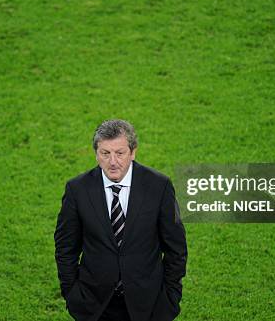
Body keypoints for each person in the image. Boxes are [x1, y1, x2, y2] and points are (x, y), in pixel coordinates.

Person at [54, 119, 188, 321]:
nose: (113, 161)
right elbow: (65, 248)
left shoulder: (159, 186)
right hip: (94, 306)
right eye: (105, 153)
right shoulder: (77, 190)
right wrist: (72, 294)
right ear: (96, 154)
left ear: (133, 152)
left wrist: (170, 297)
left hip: (149, 306)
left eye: (120, 153)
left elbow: (176, 248)